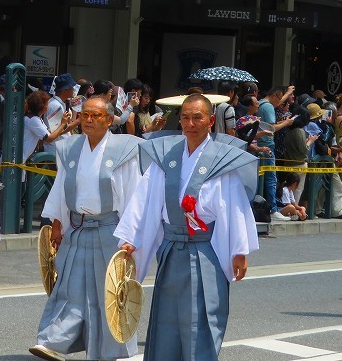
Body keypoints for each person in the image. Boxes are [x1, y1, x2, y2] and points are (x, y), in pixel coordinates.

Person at [114, 94, 259, 361]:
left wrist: (239, 250)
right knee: (166, 318)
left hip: (207, 250)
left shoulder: (222, 159)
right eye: (185, 117)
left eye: (197, 117)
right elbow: (145, 201)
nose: (190, 123)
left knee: (202, 320)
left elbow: (234, 206)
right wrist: (131, 238)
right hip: (171, 249)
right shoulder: (166, 156)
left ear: (210, 120)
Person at [30, 97, 142, 361]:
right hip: (77, 227)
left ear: (109, 120)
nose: (89, 120)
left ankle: (112, 350)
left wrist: (131, 236)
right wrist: (57, 224)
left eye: (96, 116)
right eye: (85, 115)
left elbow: (132, 195)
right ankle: (52, 342)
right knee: (69, 288)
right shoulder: (70, 148)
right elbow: (61, 188)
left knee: (109, 293)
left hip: (110, 230)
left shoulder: (124, 150)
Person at [257, 86, 295, 221]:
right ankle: (273, 209)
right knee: (271, 179)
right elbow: (272, 128)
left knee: (263, 179)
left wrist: (288, 93)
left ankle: (266, 208)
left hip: (259, 144)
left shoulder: (260, 103)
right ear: (274, 95)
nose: (280, 103)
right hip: (266, 145)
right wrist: (286, 122)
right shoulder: (268, 107)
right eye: (279, 99)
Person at [43, 73, 77, 159]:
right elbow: (57, 131)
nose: (73, 90)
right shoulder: (55, 105)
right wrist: (79, 121)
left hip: (61, 150)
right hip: (55, 151)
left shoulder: (62, 103)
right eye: (71, 87)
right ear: (65, 90)